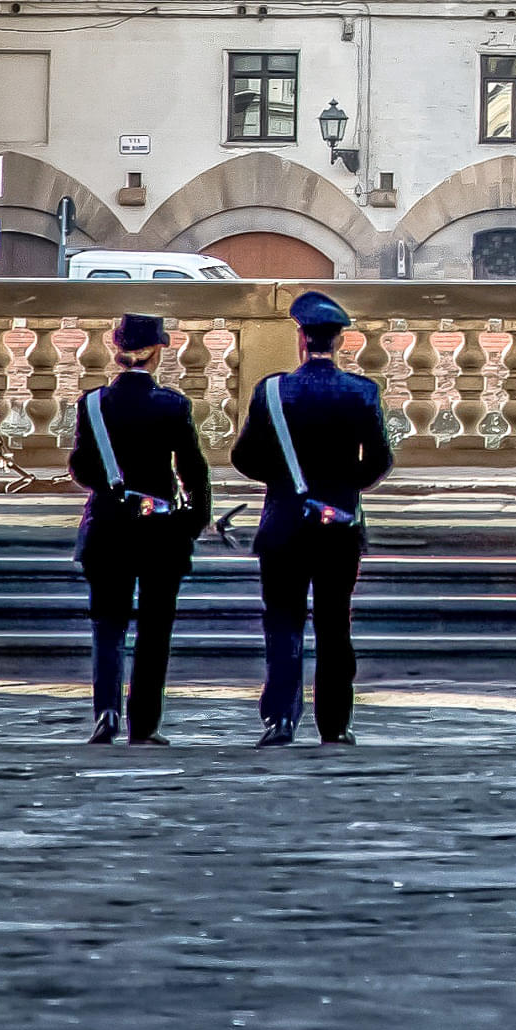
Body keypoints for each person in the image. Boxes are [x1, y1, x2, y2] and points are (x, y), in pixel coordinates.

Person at [230, 289, 393, 747]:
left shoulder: (273, 391)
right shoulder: (362, 392)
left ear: (301, 338)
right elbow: (379, 461)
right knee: (334, 625)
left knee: (282, 623)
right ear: (339, 342)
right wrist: (341, 489)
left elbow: (243, 456)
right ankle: (335, 725)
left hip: (283, 524)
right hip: (339, 525)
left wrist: (284, 484)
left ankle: (280, 719)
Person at [65, 314, 212, 745]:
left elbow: (80, 466)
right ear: (157, 351)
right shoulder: (172, 404)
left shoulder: (92, 403)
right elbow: (193, 470)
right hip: (158, 530)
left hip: (107, 525)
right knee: (153, 631)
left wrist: (114, 486)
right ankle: (144, 724)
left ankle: (105, 712)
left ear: (116, 351)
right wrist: (193, 521)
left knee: (107, 625)